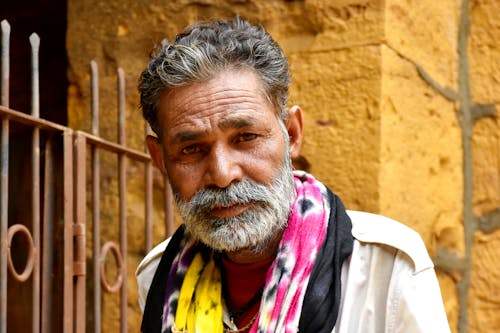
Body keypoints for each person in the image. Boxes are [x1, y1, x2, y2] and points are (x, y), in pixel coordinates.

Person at [135, 17, 450, 333]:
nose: (222, 175)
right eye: (192, 149)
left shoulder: (387, 270)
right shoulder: (160, 277)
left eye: (245, 137)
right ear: (161, 159)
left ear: (292, 133)